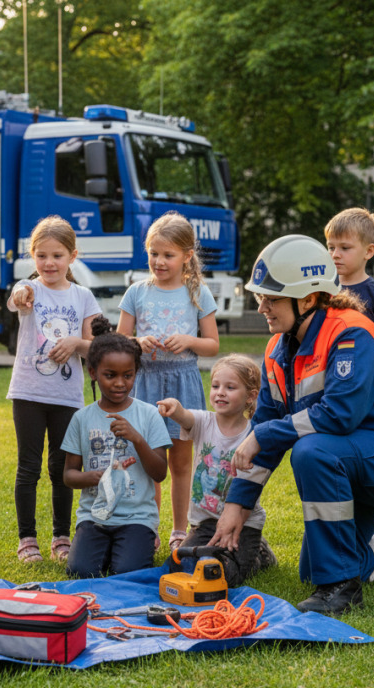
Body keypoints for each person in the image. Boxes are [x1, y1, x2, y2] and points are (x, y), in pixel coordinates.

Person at [210, 235, 374, 615]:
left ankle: (340, 590)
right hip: (354, 459)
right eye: (260, 296)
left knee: (312, 451)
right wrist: (236, 506)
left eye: (272, 298)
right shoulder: (276, 349)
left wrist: (264, 434)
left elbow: (339, 415)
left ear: (308, 299)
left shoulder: (352, 333)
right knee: (317, 568)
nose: (261, 307)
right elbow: (265, 433)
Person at [116, 212, 220, 551]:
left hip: (183, 383)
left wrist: (188, 341)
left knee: (181, 462)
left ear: (187, 256)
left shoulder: (198, 292)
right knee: (149, 461)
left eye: (168, 255)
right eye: (154, 253)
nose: (159, 261)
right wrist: (136, 343)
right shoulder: (136, 292)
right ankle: (147, 528)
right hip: (145, 383)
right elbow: (119, 341)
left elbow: (212, 344)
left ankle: (179, 530)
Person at [6, 216, 102, 564]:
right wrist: (21, 293)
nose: (49, 263)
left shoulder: (83, 296)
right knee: (28, 467)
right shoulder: (28, 288)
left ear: (72, 256)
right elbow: (17, 298)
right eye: (41, 255)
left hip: (66, 397)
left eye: (57, 256)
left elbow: (95, 347)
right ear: (32, 256)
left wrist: (76, 342)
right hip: (28, 394)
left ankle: (62, 537)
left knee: (63, 468)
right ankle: (27, 539)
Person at [62, 319, 172, 578]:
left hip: (137, 517)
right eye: (110, 375)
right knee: (80, 572)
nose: (120, 383)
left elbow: (160, 473)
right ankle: (107, 548)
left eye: (128, 375)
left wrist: (137, 439)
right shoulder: (81, 419)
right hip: (94, 517)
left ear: (136, 372)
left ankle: (137, 544)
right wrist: (93, 477)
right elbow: (68, 475)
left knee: (127, 573)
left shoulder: (149, 415)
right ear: (93, 372)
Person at [157, 354, 277, 587]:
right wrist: (175, 407)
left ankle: (259, 554)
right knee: (180, 565)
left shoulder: (253, 435)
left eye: (230, 387)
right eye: (215, 386)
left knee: (226, 576)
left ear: (251, 396)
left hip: (243, 524)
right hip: (205, 523)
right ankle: (231, 551)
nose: (220, 392)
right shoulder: (204, 421)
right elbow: (186, 417)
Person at [324, 207, 374, 350]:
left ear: (369, 251)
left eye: (345, 248)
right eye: (331, 247)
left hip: (365, 363)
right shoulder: (322, 290)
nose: (335, 255)